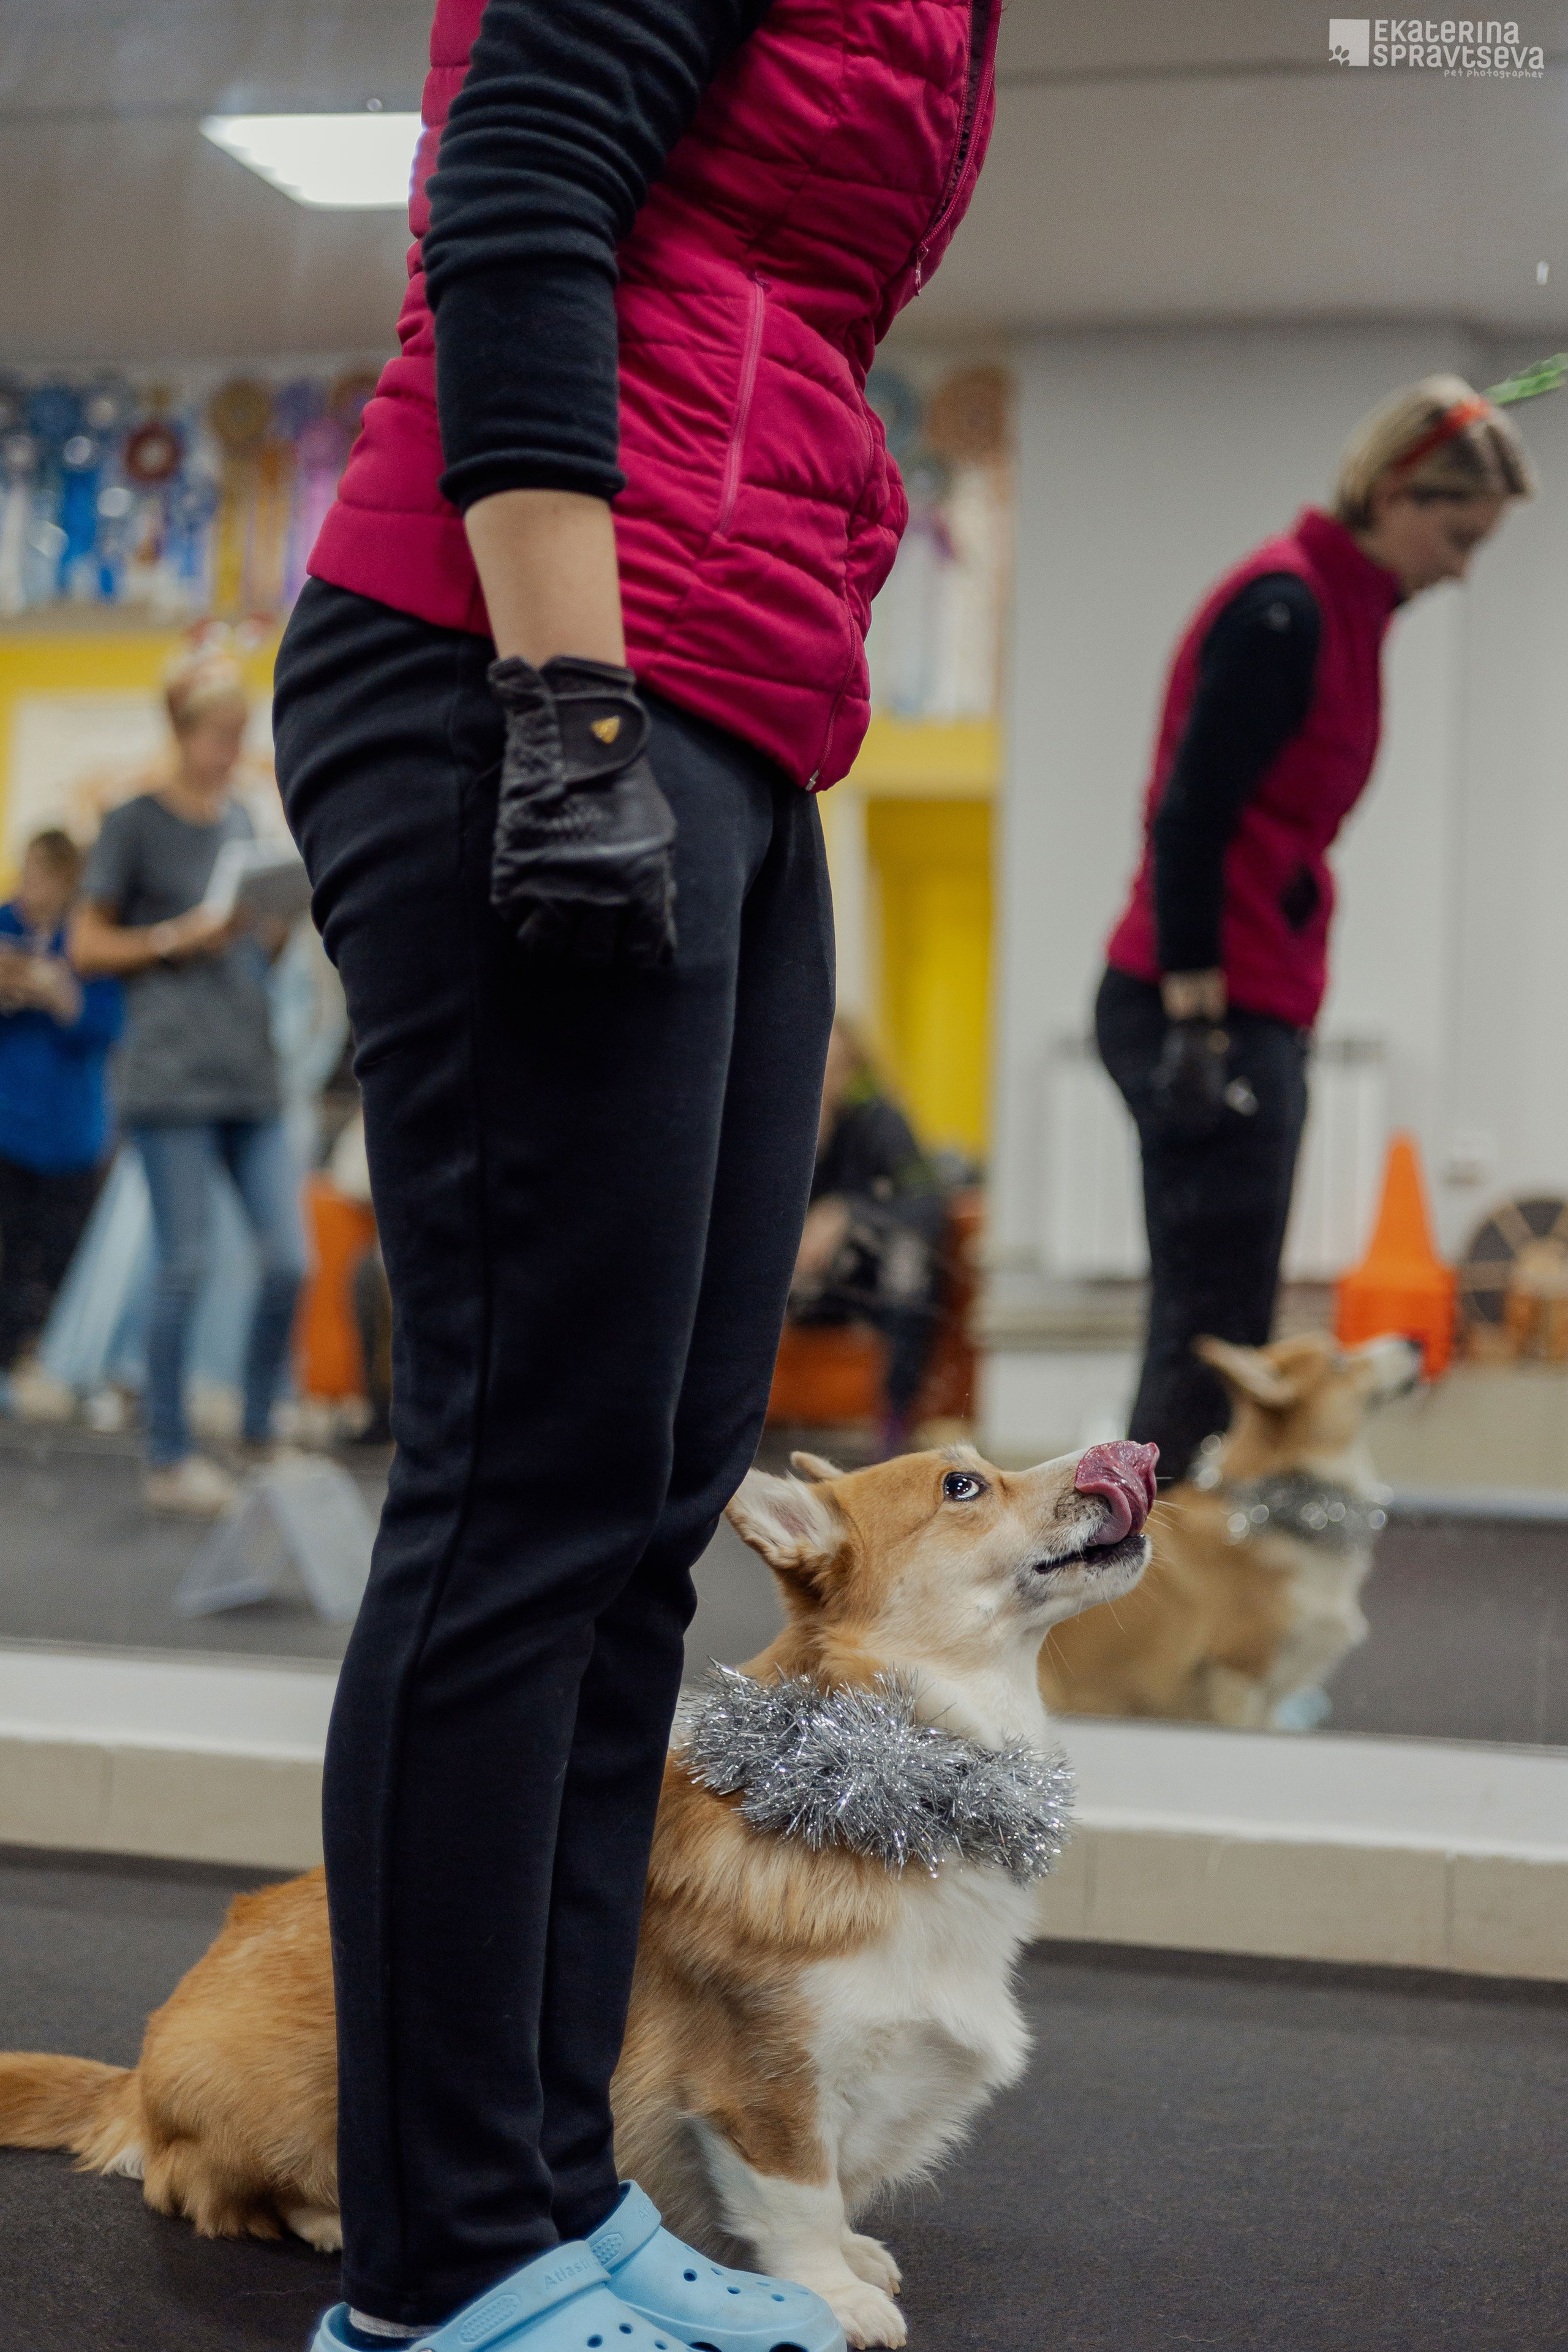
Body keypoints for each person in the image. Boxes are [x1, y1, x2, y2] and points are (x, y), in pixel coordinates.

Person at [269, 2, 1000, 2346]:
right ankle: (438, 2267)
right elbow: (520, 194)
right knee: (519, 1494)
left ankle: (542, 2192)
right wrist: (564, 705)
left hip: (736, 697)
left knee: (636, 1503)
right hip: (537, 662)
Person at [1098, 375, 1533, 1484]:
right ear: (1394, 494)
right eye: (1457, 531)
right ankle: (1130, 1637)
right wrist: (1199, 1024)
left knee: (1227, 1329)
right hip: (1205, 1006)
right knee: (1205, 1342)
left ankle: (1181, 1629)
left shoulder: (1341, 611)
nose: (1460, 564)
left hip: (1255, 999)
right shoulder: (1284, 610)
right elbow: (1191, 816)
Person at [69, 646, 309, 1517]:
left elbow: (253, 945)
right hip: (170, 1077)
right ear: (180, 730)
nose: (228, 751)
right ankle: (169, 1455)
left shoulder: (245, 823)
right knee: (186, 1263)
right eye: (218, 734)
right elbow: (88, 947)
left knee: (288, 1260)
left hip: (250, 1072)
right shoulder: (133, 822)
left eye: (239, 735)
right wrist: (180, 937)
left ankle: (255, 1430)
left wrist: (270, 924)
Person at [791, 1017, 946, 1457]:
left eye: (835, 1068)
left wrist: (847, 1213)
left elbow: (925, 1201)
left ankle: (896, 1422)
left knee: (908, 1260)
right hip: (799, 1283)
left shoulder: (880, 1121)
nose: (824, 1080)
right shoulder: (781, 1125)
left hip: (870, 1281)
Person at [0, 830, 123, 1384]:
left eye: (44, 877)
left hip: (70, 1129)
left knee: (57, 1258)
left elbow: (109, 1027)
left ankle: (44, 1364)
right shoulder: (5, 926)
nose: (32, 888)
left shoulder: (88, 940)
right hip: (7, 1121)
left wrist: (60, 996)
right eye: (28, 873)